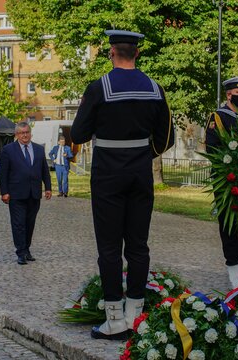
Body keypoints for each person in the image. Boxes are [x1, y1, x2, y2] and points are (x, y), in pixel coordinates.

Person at [71, 30, 174, 341]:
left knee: (110, 247)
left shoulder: (99, 88)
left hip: (107, 175)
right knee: (139, 245)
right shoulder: (155, 89)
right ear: (137, 53)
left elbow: (78, 134)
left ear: (112, 52)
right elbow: (167, 137)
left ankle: (114, 319)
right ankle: (136, 315)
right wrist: (143, 154)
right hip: (141, 172)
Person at [205, 75, 238, 289]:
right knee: (230, 224)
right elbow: (213, 149)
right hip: (227, 180)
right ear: (229, 94)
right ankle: (233, 267)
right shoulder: (218, 117)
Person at [0, 122, 52, 265]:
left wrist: (48, 187)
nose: (25, 135)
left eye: (27, 132)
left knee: (30, 223)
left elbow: (44, 170)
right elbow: (3, 173)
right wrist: (4, 192)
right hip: (16, 194)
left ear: (30, 133)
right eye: (22, 133)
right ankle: (20, 252)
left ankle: (27, 249)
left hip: (34, 193)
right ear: (16, 134)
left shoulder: (39, 149)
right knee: (18, 224)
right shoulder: (8, 150)